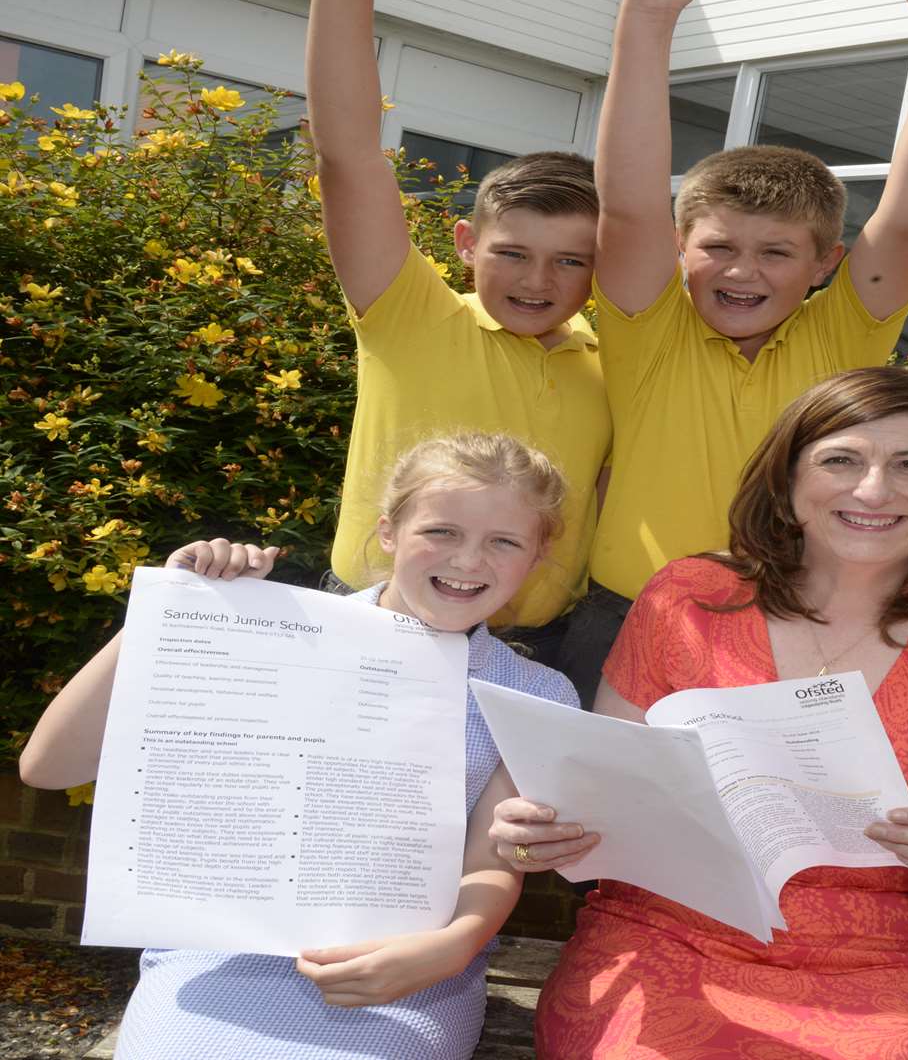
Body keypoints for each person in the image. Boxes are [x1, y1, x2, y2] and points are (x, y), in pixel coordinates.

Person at [491, 367, 908, 1059]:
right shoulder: (689, 596)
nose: (874, 490)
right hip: (673, 932)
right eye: (840, 460)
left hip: (885, 958)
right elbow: (612, 788)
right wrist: (550, 827)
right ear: (788, 483)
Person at [19, 432, 580, 1059]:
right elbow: (48, 766)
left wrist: (454, 947)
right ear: (389, 531)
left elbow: (490, 859)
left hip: (410, 973)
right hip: (220, 961)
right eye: (442, 532)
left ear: (537, 556)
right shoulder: (262, 633)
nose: (469, 560)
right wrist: (171, 612)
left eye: (503, 541)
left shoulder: (534, 692)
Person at [555, 0, 908, 704]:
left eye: (776, 253)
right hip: (625, 616)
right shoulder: (648, 326)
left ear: (825, 264)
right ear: (678, 248)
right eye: (718, 246)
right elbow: (626, 205)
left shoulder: (844, 333)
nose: (742, 271)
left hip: (792, 631)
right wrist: (650, 11)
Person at [307, 0, 610, 667]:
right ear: (467, 243)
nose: (538, 281)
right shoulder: (412, 318)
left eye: (570, 260)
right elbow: (348, 157)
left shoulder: (612, 359)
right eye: (512, 253)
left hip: (539, 650)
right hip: (384, 630)